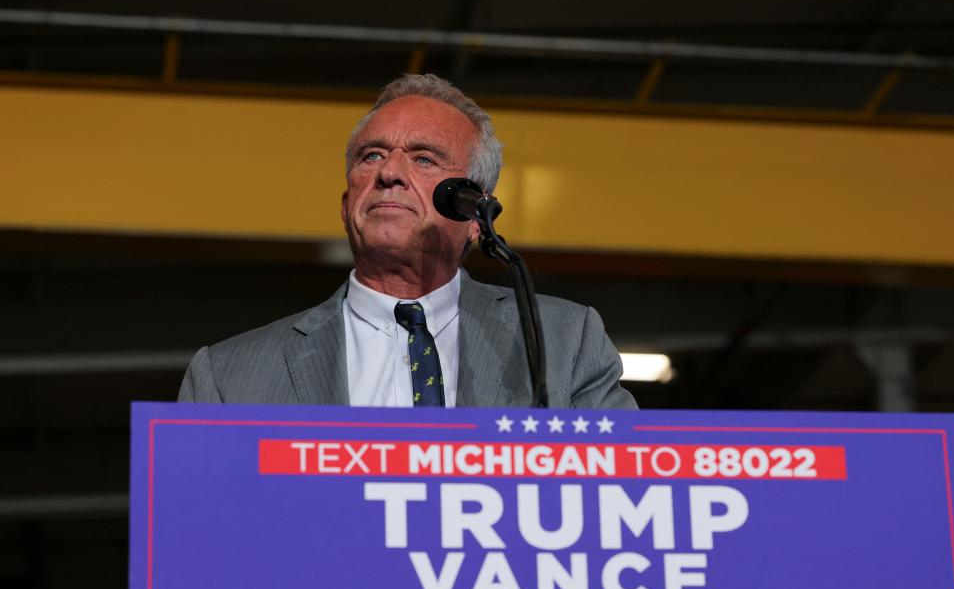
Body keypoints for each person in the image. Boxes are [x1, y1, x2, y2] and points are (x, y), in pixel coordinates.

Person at [178, 73, 636, 410]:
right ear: (346, 206)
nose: (389, 173)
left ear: (475, 215)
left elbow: (623, 491)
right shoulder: (228, 377)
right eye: (371, 155)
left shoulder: (565, 342)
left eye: (424, 158)